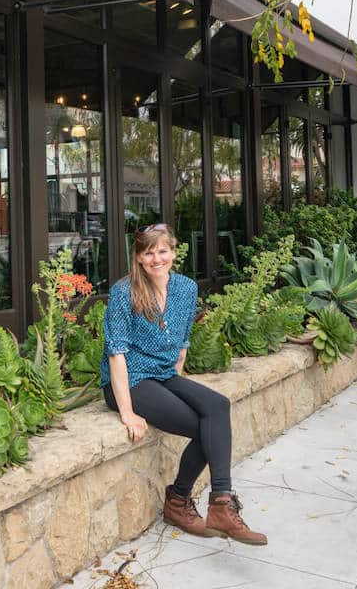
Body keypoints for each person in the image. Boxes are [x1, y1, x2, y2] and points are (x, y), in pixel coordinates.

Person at [99, 223, 267, 546]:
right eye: (148, 252)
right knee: (204, 427)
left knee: (217, 406)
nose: (156, 258)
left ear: (173, 253)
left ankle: (220, 502)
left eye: (162, 250)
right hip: (129, 379)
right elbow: (116, 354)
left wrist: (178, 384)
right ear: (137, 257)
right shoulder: (124, 292)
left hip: (163, 373)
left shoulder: (187, 289)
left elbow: (182, 342)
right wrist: (127, 413)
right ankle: (178, 501)